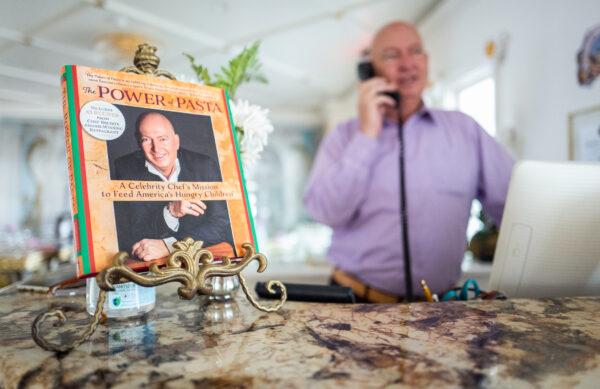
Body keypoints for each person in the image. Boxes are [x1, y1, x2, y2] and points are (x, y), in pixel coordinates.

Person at [303, 21, 514, 302]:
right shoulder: (344, 137)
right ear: (368, 71)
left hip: (439, 313)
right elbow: (325, 211)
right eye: (391, 55)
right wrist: (366, 135)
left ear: (426, 61)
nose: (406, 64)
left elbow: (516, 208)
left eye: (415, 51)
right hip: (355, 305)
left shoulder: (466, 131)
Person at [113, 111, 233, 261]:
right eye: (146, 140)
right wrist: (171, 211)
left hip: (201, 261)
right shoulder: (123, 169)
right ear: (139, 143)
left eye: (162, 139)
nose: (156, 148)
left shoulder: (204, 165)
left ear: (176, 141)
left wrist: (170, 246)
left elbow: (223, 225)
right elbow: (130, 233)